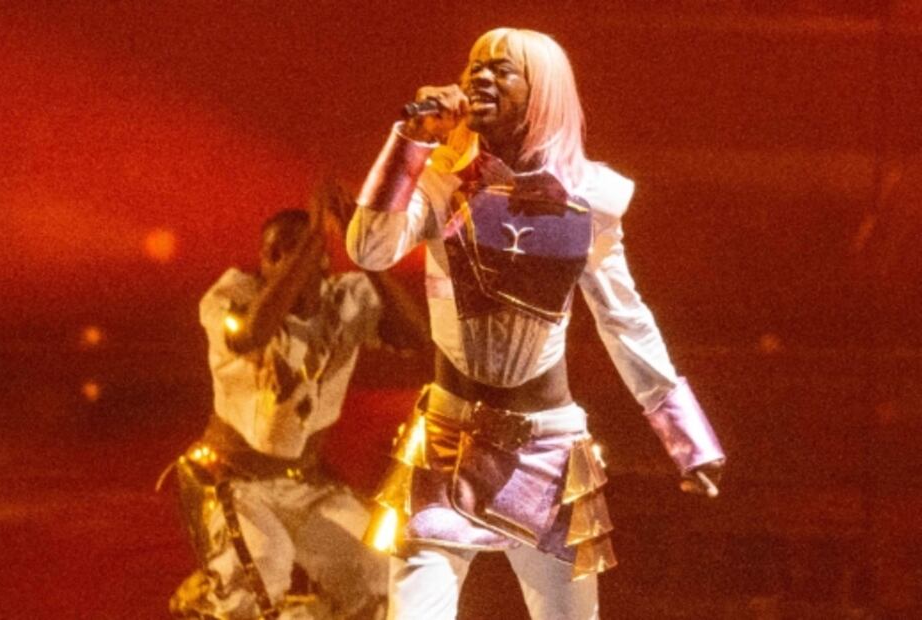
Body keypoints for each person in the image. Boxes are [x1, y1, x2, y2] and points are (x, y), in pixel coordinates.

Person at [345, 28, 726, 619]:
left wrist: (687, 437)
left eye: (502, 69)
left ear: (542, 90)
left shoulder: (588, 197)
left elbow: (624, 318)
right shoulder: (441, 181)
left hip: (547, 455)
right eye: (475, 65)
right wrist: (411, 143)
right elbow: (369, 251)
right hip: (446, 444)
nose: (480, 77)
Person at [169, 182, 428, 619]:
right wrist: (314, 236)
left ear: (325, 261)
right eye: (273, 252)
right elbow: (254, 334)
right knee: (260, 576)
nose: (282, 259)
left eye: (297, 248)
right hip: (232, 483)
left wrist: (366, 255)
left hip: (306, 483)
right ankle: (209, 602)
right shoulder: (232, 297)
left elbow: (415, 339)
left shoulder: (346, 298)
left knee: (386, 576)